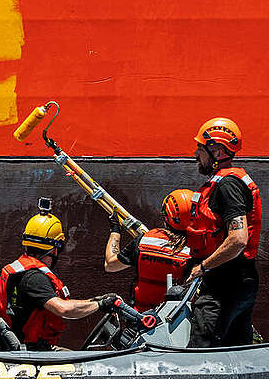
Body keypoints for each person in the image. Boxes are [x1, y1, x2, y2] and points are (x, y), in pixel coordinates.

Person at [0, 201, 122, 350]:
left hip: (27, 345)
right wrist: (100, 305)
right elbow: (64, 309)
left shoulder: (22, 269)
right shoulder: (34, 278)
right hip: (33, 351)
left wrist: (94, 300)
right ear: (55, 249)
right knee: (83, 364)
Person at [184, 117, 261, 347]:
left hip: (225, 283)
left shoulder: (228, 185)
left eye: (200, 148)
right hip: (237, 281)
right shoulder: (225, 182)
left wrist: (202, 267)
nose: (196, 154)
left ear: (217, 152)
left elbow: (238, 239)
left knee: (203, 353)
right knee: (237, 349)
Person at [103, 190, 193, 313]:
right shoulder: (198, 249)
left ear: (166, 215)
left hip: (141, 319)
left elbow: (110, 265)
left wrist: (115, 229)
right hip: (178, 320)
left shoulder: (146, 240)